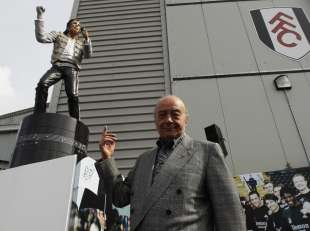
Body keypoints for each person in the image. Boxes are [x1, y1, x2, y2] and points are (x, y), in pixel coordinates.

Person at [96, 95, 246, 231]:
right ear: (155, 121)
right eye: (162, 115)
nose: (168, 120)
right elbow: (120, 198)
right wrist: (107, 157)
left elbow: (229, 211)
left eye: (175, 114)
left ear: (186, 119)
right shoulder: (144, 159)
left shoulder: (207, 151)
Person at [34, 6, 93, 120]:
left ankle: (75, 121)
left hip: (71, 68)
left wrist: (87, 39)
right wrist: (40, 16)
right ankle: (38, 115)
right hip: (58, 66)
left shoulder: (81, 43)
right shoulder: (59, 35)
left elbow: (88, 55)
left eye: (78, 25)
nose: (77, 26)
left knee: (73, 95)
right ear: (68, 26)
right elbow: (41, 38)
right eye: (74, 24)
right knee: (42, 85)